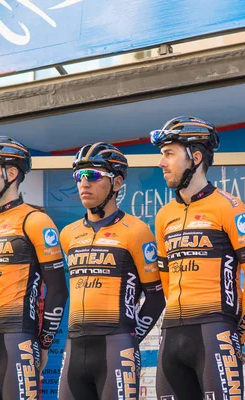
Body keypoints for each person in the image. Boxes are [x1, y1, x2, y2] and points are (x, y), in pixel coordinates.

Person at [150, 116, 245, 400]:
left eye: (169, 154)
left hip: (215, 331)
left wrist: (237, 334)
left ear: (196, 157)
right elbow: (166, 282)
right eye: (161, 155)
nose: (161, 163)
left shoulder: (230, 207)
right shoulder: (164, 215)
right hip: (172, 335)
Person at [58, 142, 165, 399]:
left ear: (116, 183)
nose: (84, 183)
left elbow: (156, 296)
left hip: (116, 347)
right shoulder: (68, 234)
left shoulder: (137, 231)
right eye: (79, 176)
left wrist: (129, 337)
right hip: (74, 348)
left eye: (93, 176)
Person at [0, 136, 69, 399]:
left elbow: (58, 290)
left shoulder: (36, 221)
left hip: (17, 340)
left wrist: (43, 344)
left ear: (11, 173)